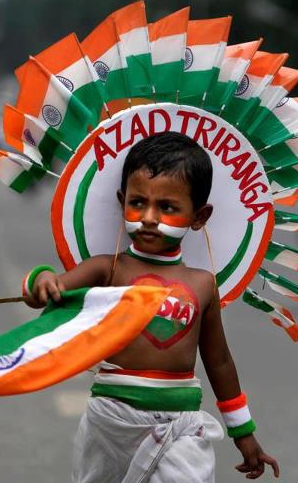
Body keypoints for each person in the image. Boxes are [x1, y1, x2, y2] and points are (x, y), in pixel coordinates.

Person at [23, 132, 279, 482]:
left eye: (168, 207)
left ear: (199, 216)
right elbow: (51, 287)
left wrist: (243, 432)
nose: (148, 217)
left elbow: (218, 360)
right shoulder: (108, 269)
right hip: (110, 421)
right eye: (138, 202)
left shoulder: (203, 284)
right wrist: (42, 282)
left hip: (180, 425)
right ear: (121, 200)